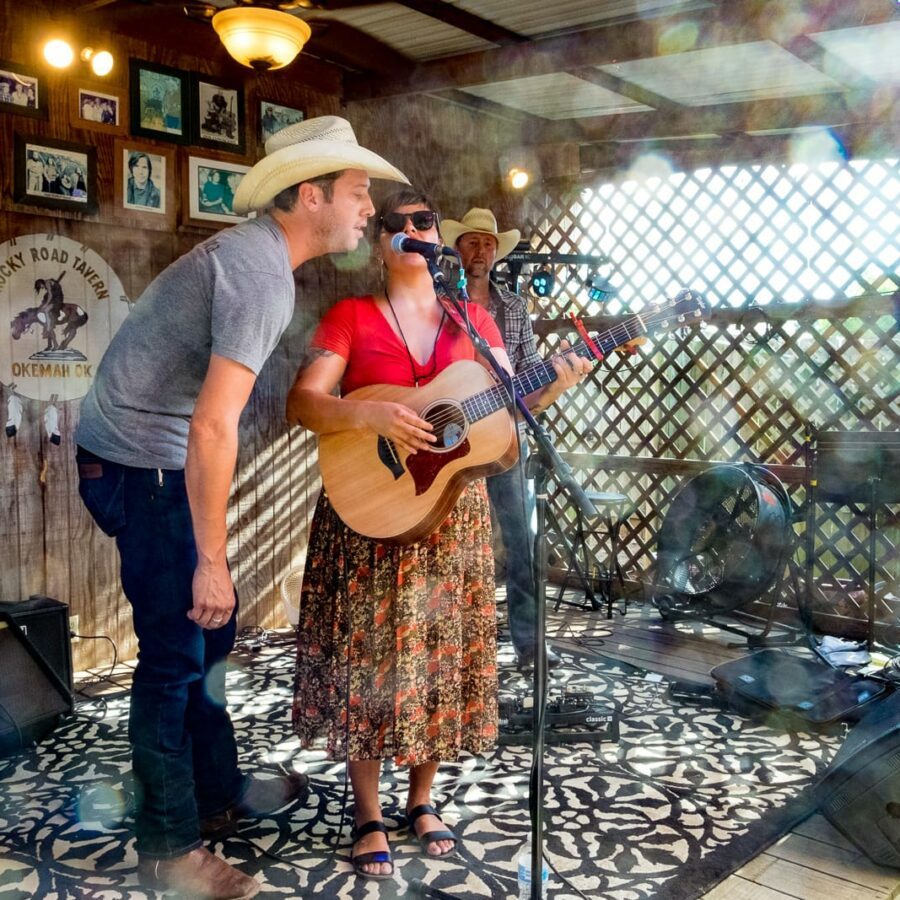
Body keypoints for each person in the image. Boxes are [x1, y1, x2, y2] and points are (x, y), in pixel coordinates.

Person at [74, 116, 408, 900]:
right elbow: (213, 424)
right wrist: (213, 561)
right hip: (139, 466)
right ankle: (168, 848)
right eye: (358, 192)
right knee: (173, 657)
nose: (369, 208)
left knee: (209, 638)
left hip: (143, 457)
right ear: (310, 194)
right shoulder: (260, 272)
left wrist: (213, 572)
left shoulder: (263, 260)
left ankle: (216, 791)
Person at [287, 188, 540, 881]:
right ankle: (369, 811)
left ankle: (422, 799)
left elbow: (517, 405)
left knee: (439, 658)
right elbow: (303, 402)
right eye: (393, 225)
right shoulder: (350, 316)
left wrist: (565, 378)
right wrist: (368, 418)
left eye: (420, 222)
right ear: (379, 245)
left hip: (451, 515)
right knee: (367, 663)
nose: (407, 230)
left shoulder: (474, 321)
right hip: (367, 518)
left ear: (440, 238)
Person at [441, 208, 592, 670]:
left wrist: (557, 379)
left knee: (524, 544)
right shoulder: (438, 299)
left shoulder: (514, 308)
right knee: (454, 546)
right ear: (456, 247)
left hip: (508, 438)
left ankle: (530, 648)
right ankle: (456, 654)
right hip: (452, 440)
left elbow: (527, 378)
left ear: (497, 252)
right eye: (471, 242)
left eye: (488, 243)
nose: (481, 251)